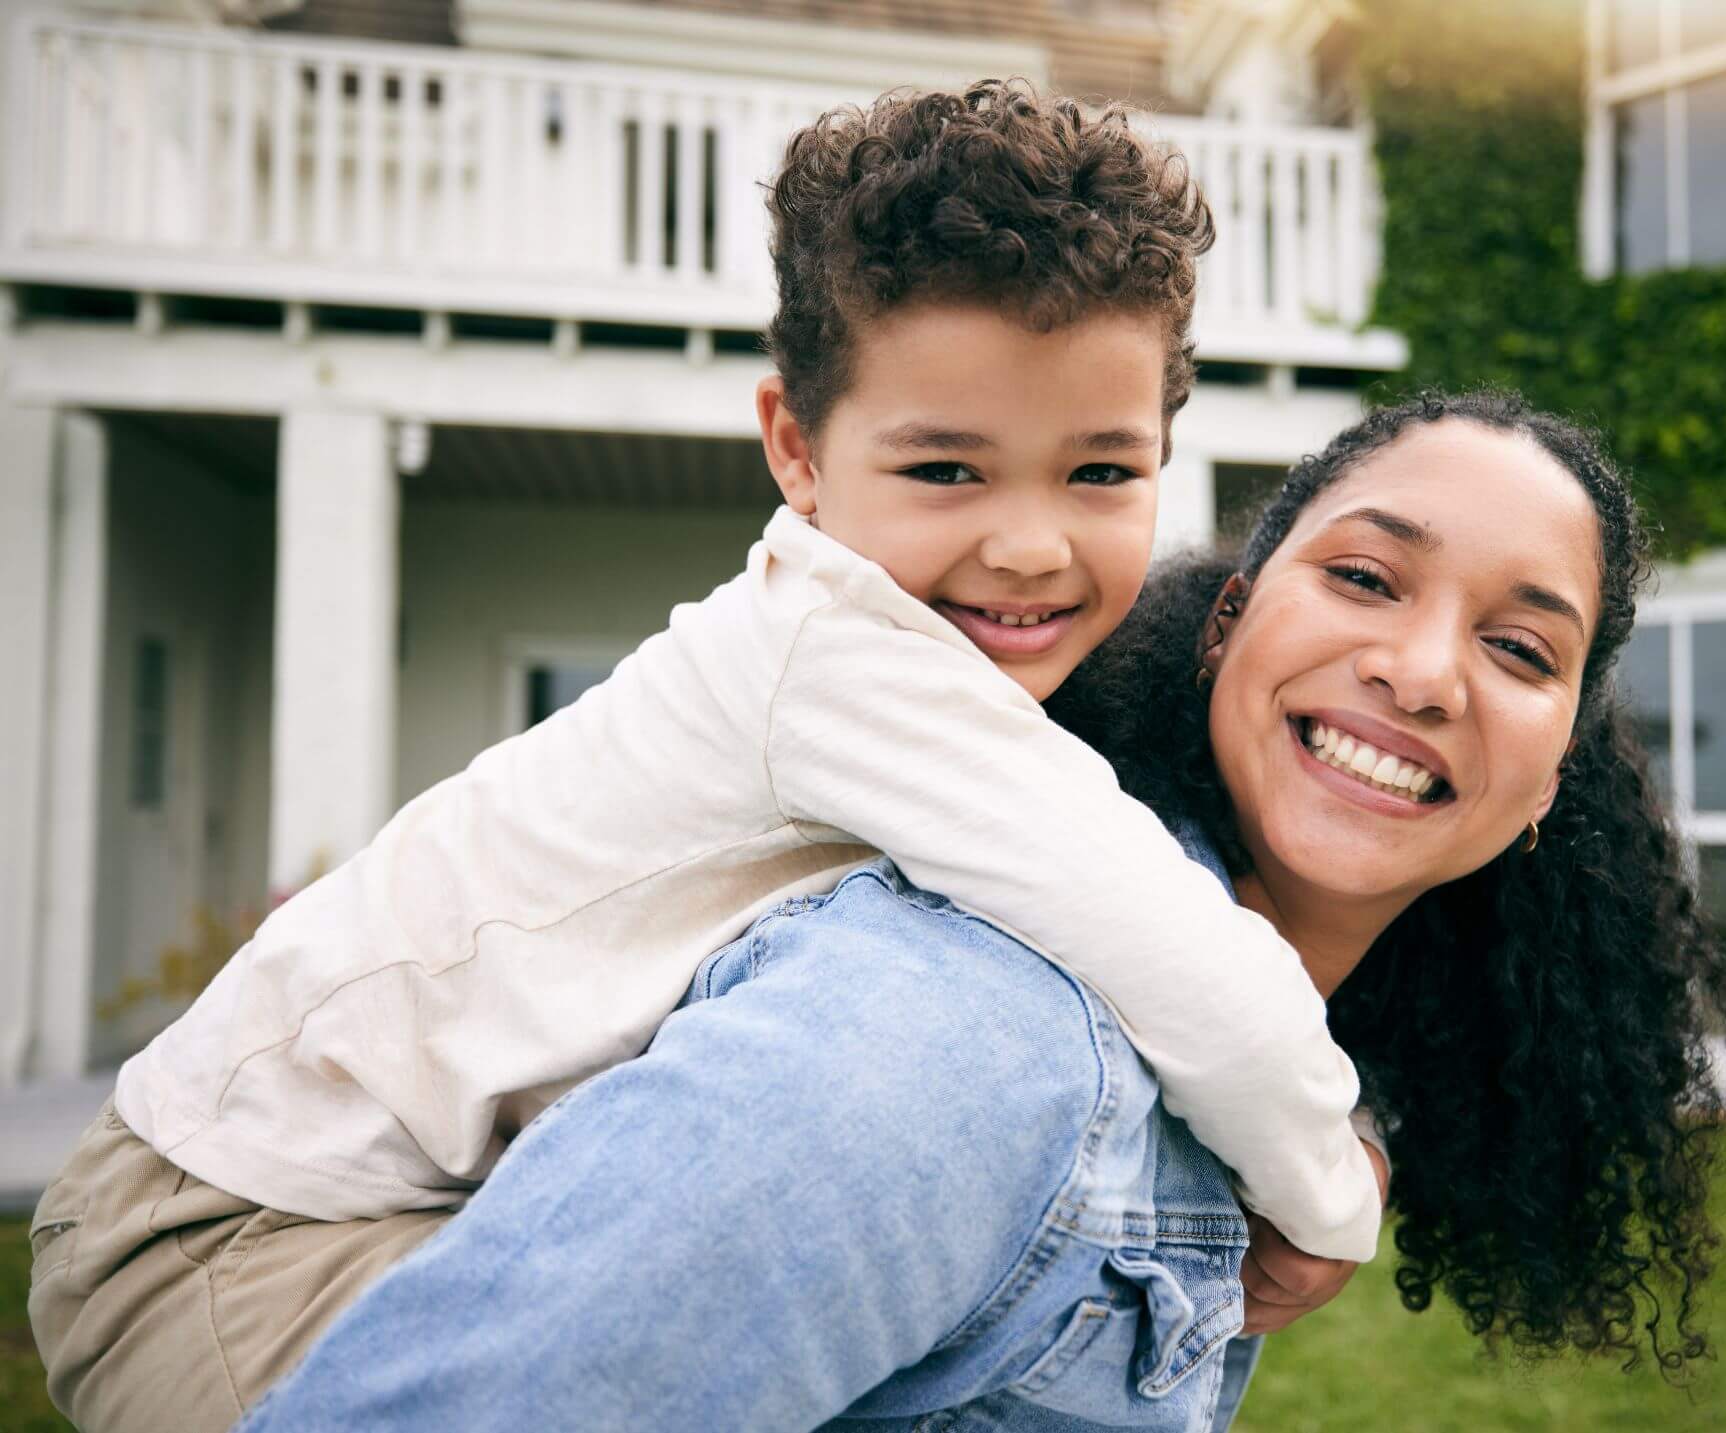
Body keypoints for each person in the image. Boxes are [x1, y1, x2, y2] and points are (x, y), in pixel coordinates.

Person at [27, 82, 1389, 1433]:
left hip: (380, 1190)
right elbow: (1170, 947)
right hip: (231, 1224)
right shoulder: (840, 659)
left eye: (1101, 474)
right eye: (946, 472)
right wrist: (1326, 1181)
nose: (1031, 543)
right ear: (796, 447)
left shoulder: (911, 669)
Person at [221, 393, 1726, 1428]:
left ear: (1552, 775)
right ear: (1231, 617)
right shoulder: (975, 1032)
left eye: (1523, 650)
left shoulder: (1202, 1081)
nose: (1430, 670)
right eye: (1369, 579)